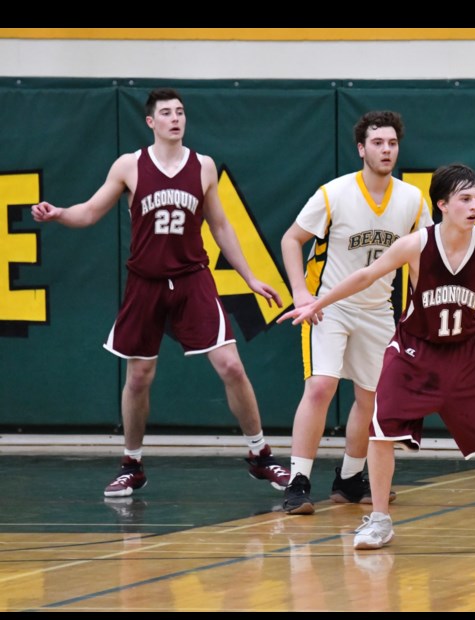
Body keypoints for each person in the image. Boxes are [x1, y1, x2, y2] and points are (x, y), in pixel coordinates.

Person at [279, 163, 475, 549]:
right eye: (465, 199)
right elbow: (366, 276)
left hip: (470, 353)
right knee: (383, 429)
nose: (474, 206)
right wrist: (318, 301)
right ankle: (379, 520)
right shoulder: (417, 245)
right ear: (442, 204)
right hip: (414, 351)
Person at [30, 88, 290, 498]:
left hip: (192, 278)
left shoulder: (202, 166)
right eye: (166, 113)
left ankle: (261, 457)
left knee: (232, 366)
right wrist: (60, 213)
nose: (175, 118)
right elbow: (93, 210)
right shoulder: (129, 166)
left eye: (180, 112)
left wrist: (250, 277)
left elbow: (221, 226)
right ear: (150, 122)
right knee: (138, 377)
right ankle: (131, 464)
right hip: (146, 282)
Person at [279, 111, 432, 515]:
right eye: (378, 143)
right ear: (361, 149)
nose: (386, 149)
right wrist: (300, 294)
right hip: (329, 306)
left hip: (378, 309)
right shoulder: (334, 193)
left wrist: (426, 308)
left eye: (392, 143)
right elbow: (291, 239)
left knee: (371, 398)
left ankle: (349, 478)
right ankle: (297, 482)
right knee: (321, 387)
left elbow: (421, 261)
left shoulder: (413, 200)